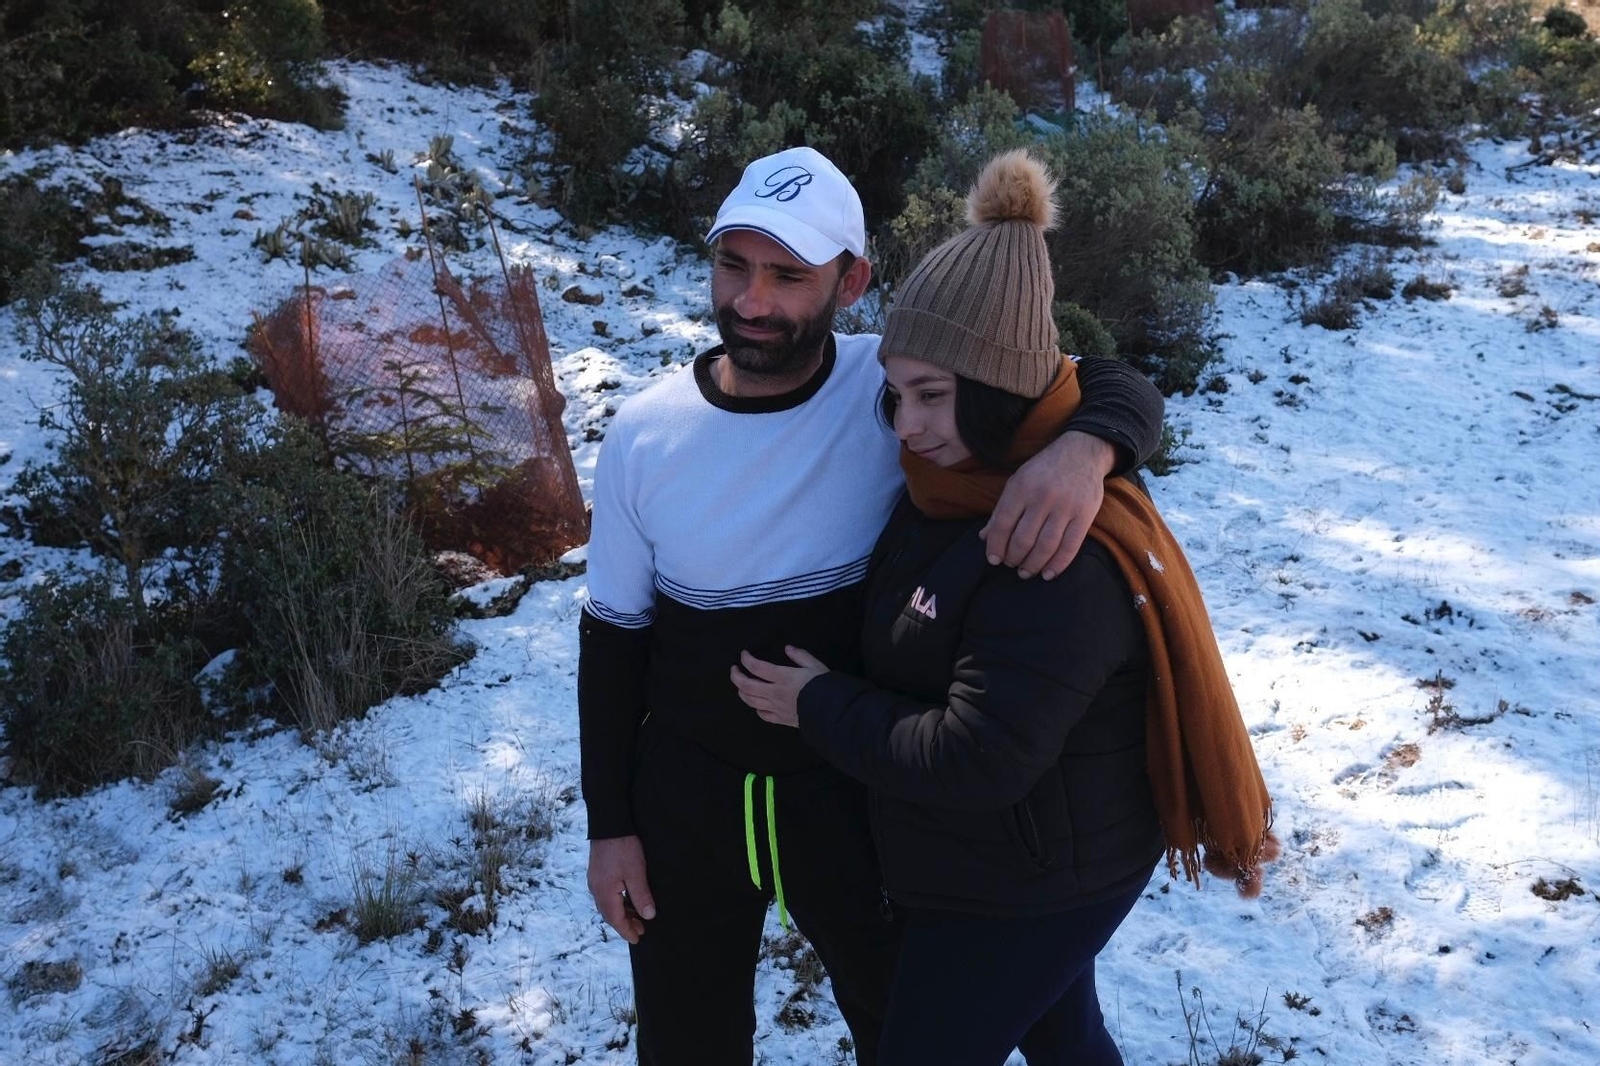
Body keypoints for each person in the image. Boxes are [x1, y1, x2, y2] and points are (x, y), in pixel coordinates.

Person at [579, 145, 1167, 1066]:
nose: (752, 300)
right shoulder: (646, 434)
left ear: (852, 281)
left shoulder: (891, 386)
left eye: (787, 274)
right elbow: (611, 642)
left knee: (901, 1031)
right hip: (690, 799)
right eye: (733, 264)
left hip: (860, 803)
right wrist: (608, 826)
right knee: (687, 1046)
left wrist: (1087, 448)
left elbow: (1088, 380)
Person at [731, 150, 1276, 1066]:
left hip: (1033, 878)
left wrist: (817, 703)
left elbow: (977, 757)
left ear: (1003, 390)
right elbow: (1099, 379)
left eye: (934, 399)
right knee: (1065, 1038)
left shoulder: (1048, 543)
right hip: (1000, 855)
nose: (904, 426)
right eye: (896, 395)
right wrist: (1092, 440)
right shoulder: (958, 475)